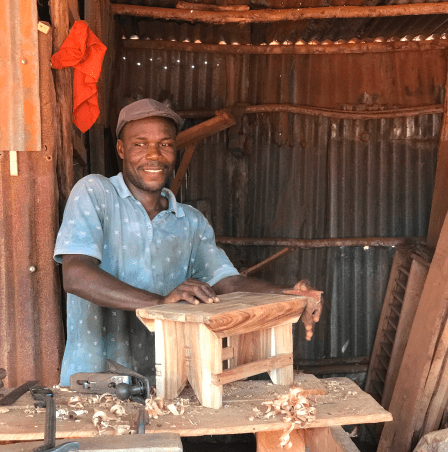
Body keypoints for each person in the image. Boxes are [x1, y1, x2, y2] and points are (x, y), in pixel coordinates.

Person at [54, 99, 322, 386]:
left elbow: (227, 283)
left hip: (164, 384)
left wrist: (288, 294)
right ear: (121, 149)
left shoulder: (190, 221)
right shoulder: (95, 193)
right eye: (140, 144)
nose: (153, 155)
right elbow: (75, 276)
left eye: (165, 144)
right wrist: (160, 304)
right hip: (92, 383)